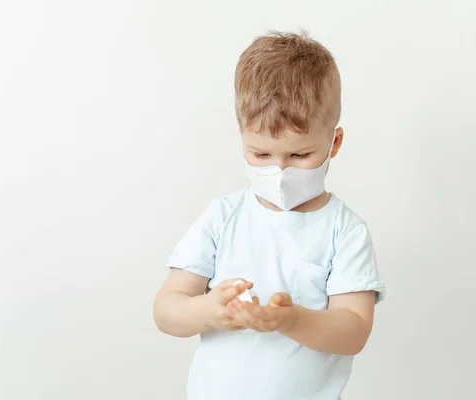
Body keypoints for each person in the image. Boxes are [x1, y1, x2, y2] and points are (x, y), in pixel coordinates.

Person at [153, 31, 385, 400]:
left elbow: (354, 331)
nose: (279, 171)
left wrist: (291, 320)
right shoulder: (223, 217)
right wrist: (208, 310)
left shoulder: (345, 231)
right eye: (261, 155)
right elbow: (166, 309)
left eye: (298, 156)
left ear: (334, 143)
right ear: (242, 136)